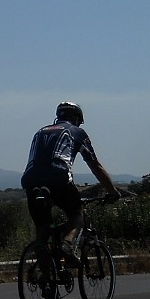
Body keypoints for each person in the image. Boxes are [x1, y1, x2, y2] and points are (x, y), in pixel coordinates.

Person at [21, 101, 120, 265]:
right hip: (58, 177)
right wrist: (112, 191)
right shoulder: (77, 132)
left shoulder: (40, 132)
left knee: (43, 226)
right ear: (76, 118)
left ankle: (45, 276)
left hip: (31, 180)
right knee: (76, 214)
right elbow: (95, 165)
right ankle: (67, 244)